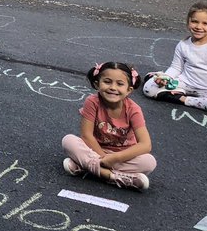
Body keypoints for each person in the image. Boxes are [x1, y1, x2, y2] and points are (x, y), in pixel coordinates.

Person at [61, 62, 155, 191]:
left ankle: (85, 166)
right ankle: (112, 176)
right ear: (96, 84)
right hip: (95, 149)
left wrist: (114, 158)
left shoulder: (134, 110)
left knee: (149, 162)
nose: (113, 87)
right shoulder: (92, 102)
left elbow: (145, 145)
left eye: (120, 84)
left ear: (129, 90)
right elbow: (86, 136)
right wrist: (103, 159)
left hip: (122, 156)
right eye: (107, 82)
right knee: (68, 140)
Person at [142, 2, 207, 112]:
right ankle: (160, 78)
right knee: (148, 89)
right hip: (186, 83)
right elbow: (176, 68)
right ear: (188, 22)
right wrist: (166, 78)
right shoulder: (183, 44)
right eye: (195, 22)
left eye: (205, 23)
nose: (199, 27)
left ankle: (181, 98)